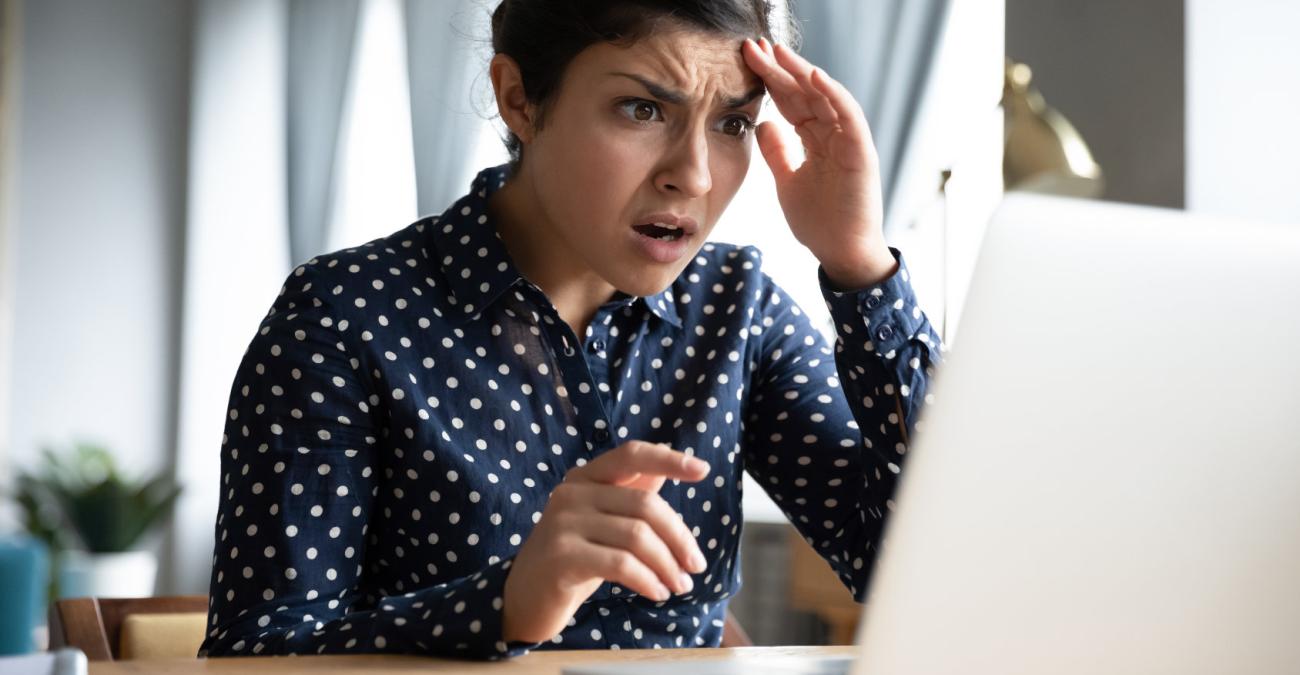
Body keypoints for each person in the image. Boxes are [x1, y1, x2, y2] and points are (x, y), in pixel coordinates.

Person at [199, 0, 943, 660]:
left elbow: (926, 566)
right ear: (518, 98)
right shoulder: (342, 316)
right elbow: (256, 649)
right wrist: (503, 606)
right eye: (643, 110)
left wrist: (859, 264)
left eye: (732, 122)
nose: (695, 175)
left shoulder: (737, 308)